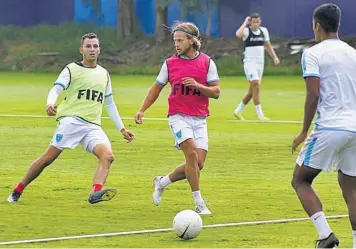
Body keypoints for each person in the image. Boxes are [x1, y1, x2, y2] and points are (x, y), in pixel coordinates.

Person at [8, 33, 135, 204]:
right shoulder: (72, 69)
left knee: (108, 156)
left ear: (100, 50)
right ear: (81, 49)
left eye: (95, 46)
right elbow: (56, 89)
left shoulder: (104, 74)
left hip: (92, 126)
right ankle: (18, 190)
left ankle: (95, 193)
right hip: (71, 121)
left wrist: (122, 128)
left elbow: (110, 103)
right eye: (88, 46)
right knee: (47, 159)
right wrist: (50, 103)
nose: (92, 49)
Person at [134, 21, 220, 215]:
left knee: (198, 164)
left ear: (191, 40)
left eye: (180, 40)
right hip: (178, 116)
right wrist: (142, 110)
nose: (177, 44)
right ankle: (199, 203)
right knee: (190, 154)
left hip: (199, 119)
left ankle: (161, 182)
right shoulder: (170, 64)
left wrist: (199, 86)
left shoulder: (207, 62)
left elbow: (216, 92)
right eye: (175, 40)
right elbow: (156, 88)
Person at [291, 3, 356, 248]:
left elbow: (313, 94)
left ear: (317, 26)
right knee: (351, 188)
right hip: (355, 128)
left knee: (300, 180)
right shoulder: (352, 52)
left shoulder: (313, 53)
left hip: (330, 127)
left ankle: (326, 235)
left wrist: (304, 131)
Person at [233, 13, 280, 121]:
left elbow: (268, 45)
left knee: (252, 90)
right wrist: (245, 22)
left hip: (260, 64)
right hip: (250, 63)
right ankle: (260, 115)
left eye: (257, 22)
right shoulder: (246, 31)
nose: (255, 24)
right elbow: (238, 34)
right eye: (253, 22)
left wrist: (274, 57)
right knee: (256, 84)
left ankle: (237, 111)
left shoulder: (264, 31)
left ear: (260, 21)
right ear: (250, 22)